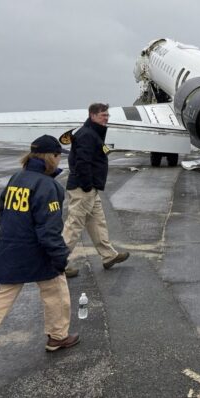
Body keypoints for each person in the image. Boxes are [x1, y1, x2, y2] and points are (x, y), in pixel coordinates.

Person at [0, 135, 79, 369]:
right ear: (50, 157)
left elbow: (3, 210)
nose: (58, 159)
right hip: (37, 250)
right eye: (57, 155)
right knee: (56, 288)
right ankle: (57, 335)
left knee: (2, 297)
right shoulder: (48, 186)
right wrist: (60, 256)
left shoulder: (16, 178)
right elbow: (49, 229)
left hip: (11, 246)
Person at [63, 103, 129, 278]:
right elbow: (81, 162)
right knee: (74, 225)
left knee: (97, 222)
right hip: (83, 188)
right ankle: (57, 263)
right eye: (102, 115)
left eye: (107, 115)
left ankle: (109, 256)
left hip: (91, 188)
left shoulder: (93, 133)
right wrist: (86, 185)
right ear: (92, 116)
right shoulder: (86, 135)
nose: (106, 118)